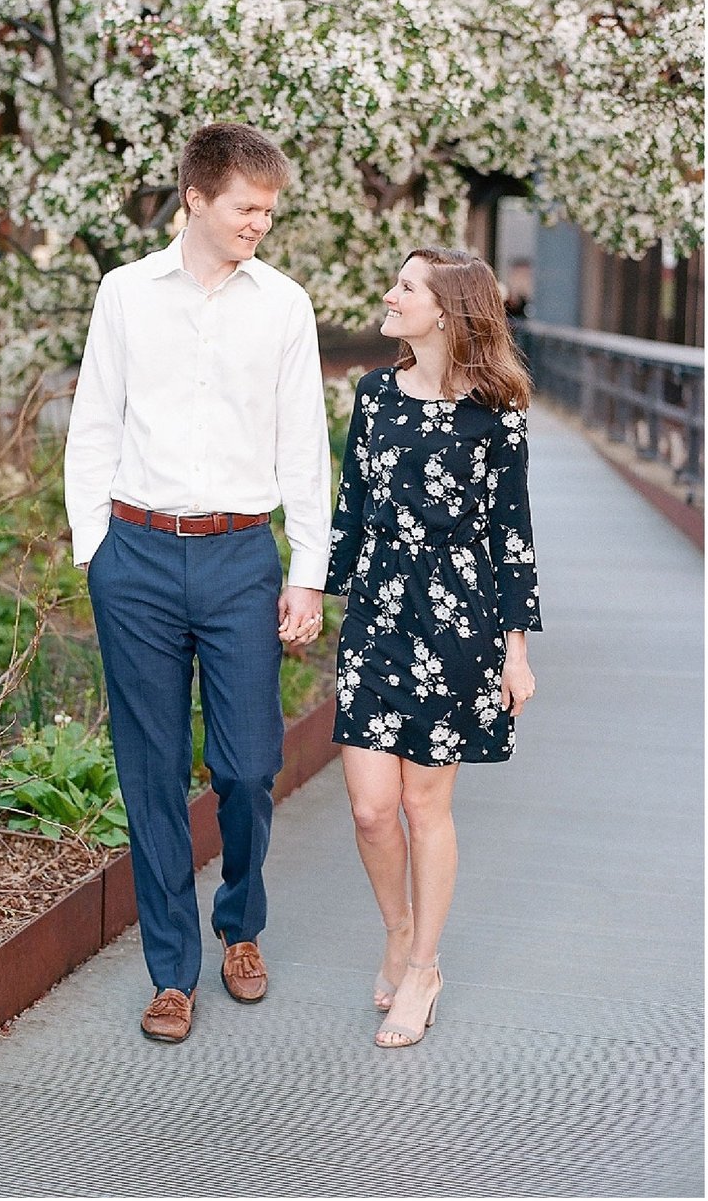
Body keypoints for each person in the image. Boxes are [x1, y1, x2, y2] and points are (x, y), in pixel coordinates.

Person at [64, 123, 331, 1044]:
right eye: (247, 207)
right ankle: (171, 972)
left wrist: (307, 573)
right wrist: (93, 549)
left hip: (239, 557)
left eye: (268, 209)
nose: (262, 221)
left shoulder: (283, 305)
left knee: (250, 765)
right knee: (150, 773)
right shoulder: (126, 294)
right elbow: (94, 422)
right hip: (134, 554)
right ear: (196, 200)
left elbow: (304, 444)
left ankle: (241, 924)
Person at [325, 246, 541, 1049]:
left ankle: (423, 966)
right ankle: (397, 928)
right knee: (371, 808)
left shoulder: (497, 415)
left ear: (447, 311)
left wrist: (515, 652)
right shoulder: (375, 395)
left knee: (425, 806)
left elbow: (512, 538)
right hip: (377, 616)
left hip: (457, 625)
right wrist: (313, 597)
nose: (389, 293)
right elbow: (351, 507)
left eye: (405, 286)